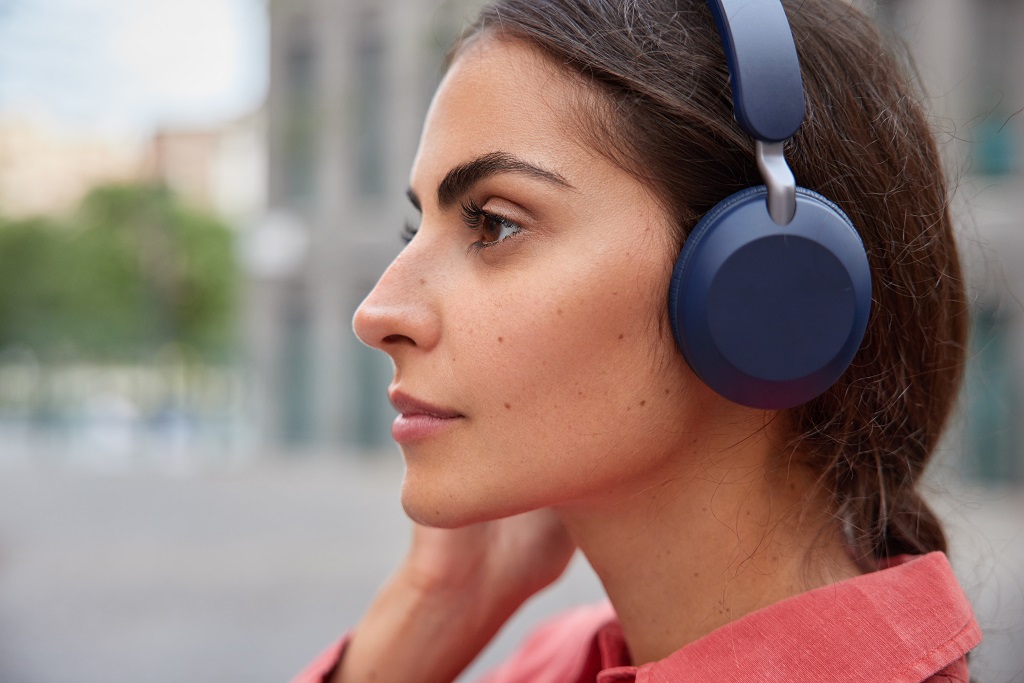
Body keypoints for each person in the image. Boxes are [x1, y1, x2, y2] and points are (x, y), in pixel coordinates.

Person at [293, 0, 980, 681]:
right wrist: (430, 608)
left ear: (760, 284)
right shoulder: (556, 662)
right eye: (417, 234)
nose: (376, 311)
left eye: (495, 225)